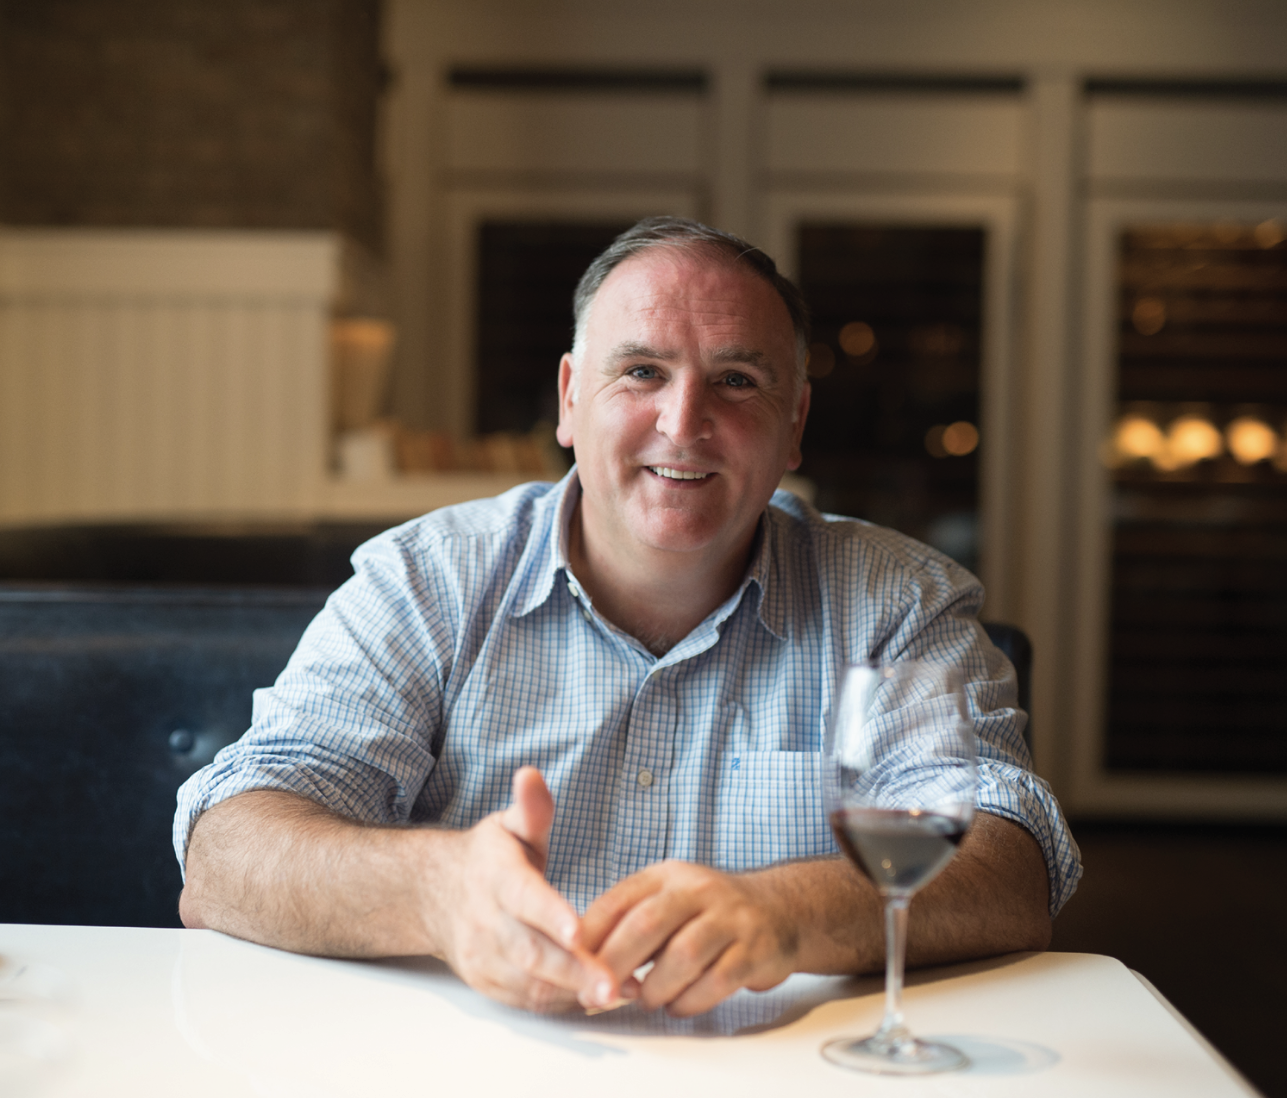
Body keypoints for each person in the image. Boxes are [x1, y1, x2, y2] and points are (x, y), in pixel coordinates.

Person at [175, 217, 1079, 1018]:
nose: (683, 424)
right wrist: (435, 892)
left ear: (795, 422)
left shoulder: (900, 602)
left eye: (736, 381)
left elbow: (1010, 870)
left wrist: (789, 912)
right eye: (641, 370)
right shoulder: (427, 580)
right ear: (570, 398)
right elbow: (227, 857)